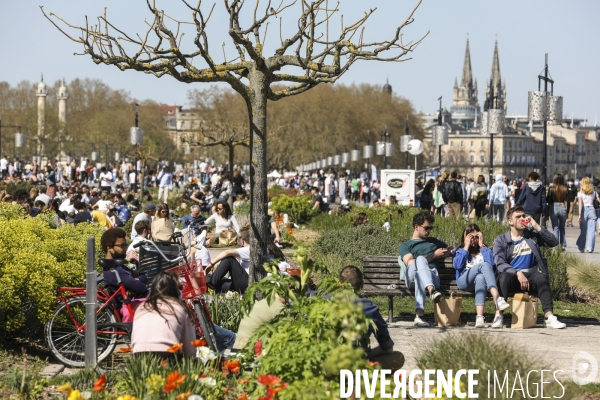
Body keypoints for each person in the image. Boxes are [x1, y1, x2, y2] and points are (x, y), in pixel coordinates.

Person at [493, 206, 566, 329]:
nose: (522, 218)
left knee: (541, 279)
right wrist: (517, 273)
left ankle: (549, 317)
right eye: (518, 216)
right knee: (503, 276)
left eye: (523, 216)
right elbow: (500, 263)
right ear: (510, 221)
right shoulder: (501, 240)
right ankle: (498, 315)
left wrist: (537, 226)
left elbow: (554, 242)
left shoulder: (532, 237)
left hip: (531, 277)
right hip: (512, 276)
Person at [399, 212, 454, 327]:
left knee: (420, 276)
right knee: (419, 261)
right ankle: (432, 290)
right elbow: (410, 262)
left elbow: (451, 250)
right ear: (416, 227)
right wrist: (434, 255)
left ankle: (419, 316)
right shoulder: (406, 245)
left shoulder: (434, 242)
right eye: (426, 228)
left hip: (432, 275)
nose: (429, 231)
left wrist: (450, 251)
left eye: (431, 228)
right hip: (411, 276)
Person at [453, 224, 510, 328]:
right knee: (483, 265)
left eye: (476, 237)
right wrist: (466, 247)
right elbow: (457, 265)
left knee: (481, 277)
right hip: (464, 281)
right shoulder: (459, 250)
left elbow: (492, 264)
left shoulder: (485, 250)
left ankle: (479, 318)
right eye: (471, 237)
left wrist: (482, 245)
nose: (474, 240)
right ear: (465, 237)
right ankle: (497, 298)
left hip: (479, 283)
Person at [131, 271, 196, 359]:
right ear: (175, 290)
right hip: (167, 354)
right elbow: (190, 348)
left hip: (139, 355)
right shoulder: (180, 307)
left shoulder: (141, 307)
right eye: (180, 288)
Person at [338, 266, 394, 357]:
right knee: (397, 357)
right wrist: (368, 353)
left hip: (329, 362)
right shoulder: (370, 308)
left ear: (340, 284)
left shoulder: (325, 302)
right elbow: (387, 347)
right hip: (358, 361)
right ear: (362, 285)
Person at [100, 228, 148, 298]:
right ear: (109, 248)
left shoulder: (117, 267)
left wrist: (136, 283)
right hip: (132, 306)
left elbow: (143, 278)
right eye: (122, 246)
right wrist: (136, 283)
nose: (125, 248)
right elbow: (141, 287)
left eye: (126, 245)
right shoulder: (114, 271)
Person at [205, 226, 251, 293]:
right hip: (243, 283)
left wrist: (211, 264)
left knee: (229, 258)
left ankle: (211, 285)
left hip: (246, 284)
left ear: (242, 240)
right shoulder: (255, 250)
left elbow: (227, 252)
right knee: (221, 281)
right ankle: (212, 285)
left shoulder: (249, 249)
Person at [576, 177, 599, 253]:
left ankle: (581, 246)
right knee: (592, 231)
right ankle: (590, 248)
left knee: (583, 230)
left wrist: (579, 215)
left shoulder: (580, 193)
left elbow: (580, 205)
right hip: (592, 210)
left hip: (584, 211)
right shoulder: (594, 192)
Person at [547, 173, 568, 249]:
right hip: (562, 206)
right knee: (562, 227)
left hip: (554, 207)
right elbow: (567, 200)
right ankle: (563, 245)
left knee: (555, 227)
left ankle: (555, 246)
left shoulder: (552, 188)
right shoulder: (565, 188)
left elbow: (549, 200)